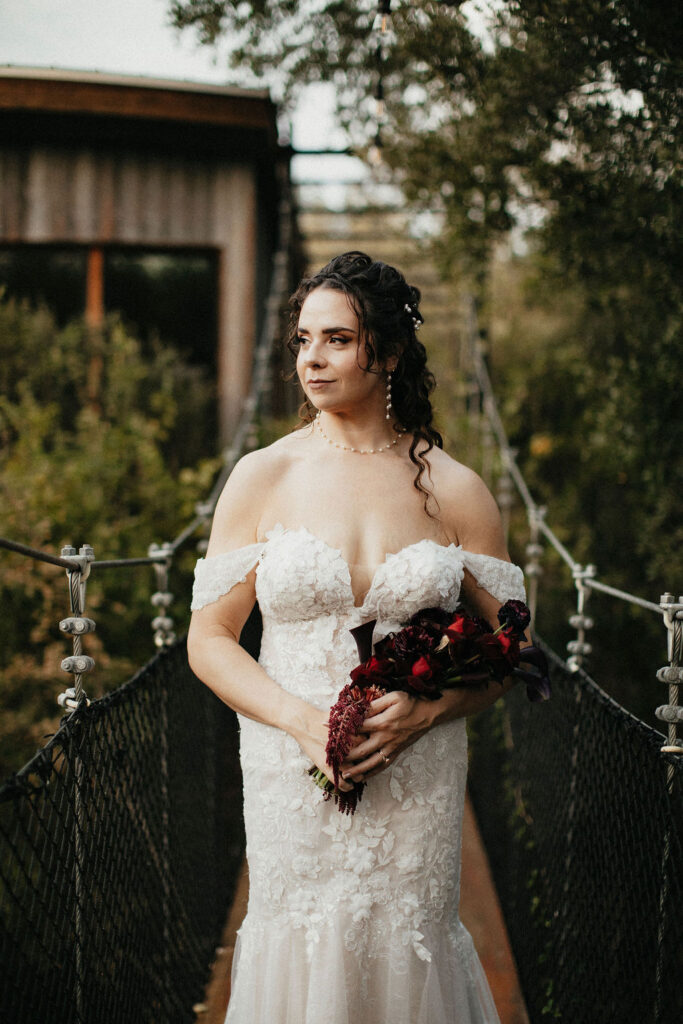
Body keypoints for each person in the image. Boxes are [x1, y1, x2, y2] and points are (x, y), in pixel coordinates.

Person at [188, 251, 528, 1024]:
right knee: (298, 950)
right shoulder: (260, 477)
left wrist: (428, 711)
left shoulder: (457, 489)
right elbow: (207, 638)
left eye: (337, 339)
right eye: (303, 339)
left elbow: (511, 650)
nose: (311, 358)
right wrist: (302, 723)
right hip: (288, 768)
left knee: (407, 945)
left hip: (418, 779)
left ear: (391, 353)